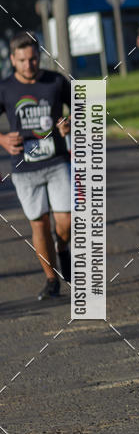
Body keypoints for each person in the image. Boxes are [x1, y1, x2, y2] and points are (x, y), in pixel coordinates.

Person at [0, 32, 71, 300]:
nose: (29, 65)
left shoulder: (54, 81)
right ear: (12, 60)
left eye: (33, 59)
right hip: (24, 167)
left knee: (66, 222)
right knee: (39, 224)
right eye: (23, 60)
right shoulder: (5, 88)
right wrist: (3, 139)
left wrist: (69, 122)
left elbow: (82, 106)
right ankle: (52, 280)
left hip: (56, 161)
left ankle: (62, 248)